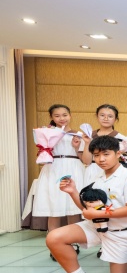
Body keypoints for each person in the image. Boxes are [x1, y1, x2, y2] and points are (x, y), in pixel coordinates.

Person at [47, 136, 127, 273]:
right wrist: (73, 192)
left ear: (118, 154)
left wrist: (98, 214)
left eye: (106, 154)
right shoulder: (97, 178)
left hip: (120, 231)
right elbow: (86, 208)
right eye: (96, 155)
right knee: (54, 238)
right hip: (94, 226)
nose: (101, 159)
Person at [32, 104, 85, 252]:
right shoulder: (46, 133)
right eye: (57, 116)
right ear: (51, 117)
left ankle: (73, 242)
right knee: (53, 207)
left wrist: (77, 147)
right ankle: (53, 245)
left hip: (74, 168)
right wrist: (46, 146)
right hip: (54, 169)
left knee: (73, 207)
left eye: (65, 115)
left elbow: (84, 158)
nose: (62, 118)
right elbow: (42, 157)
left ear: (70, 115)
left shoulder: (78, 134)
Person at [82, 104, 126, 185]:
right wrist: (87, 143)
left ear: (115, 118)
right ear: (97, 116)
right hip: (92, 171)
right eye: (102, 115)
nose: (106, 118)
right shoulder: (88, 135)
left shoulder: (121, 138)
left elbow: (123, 161)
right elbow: (86, 162)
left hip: (112, 171)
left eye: (110, 116)